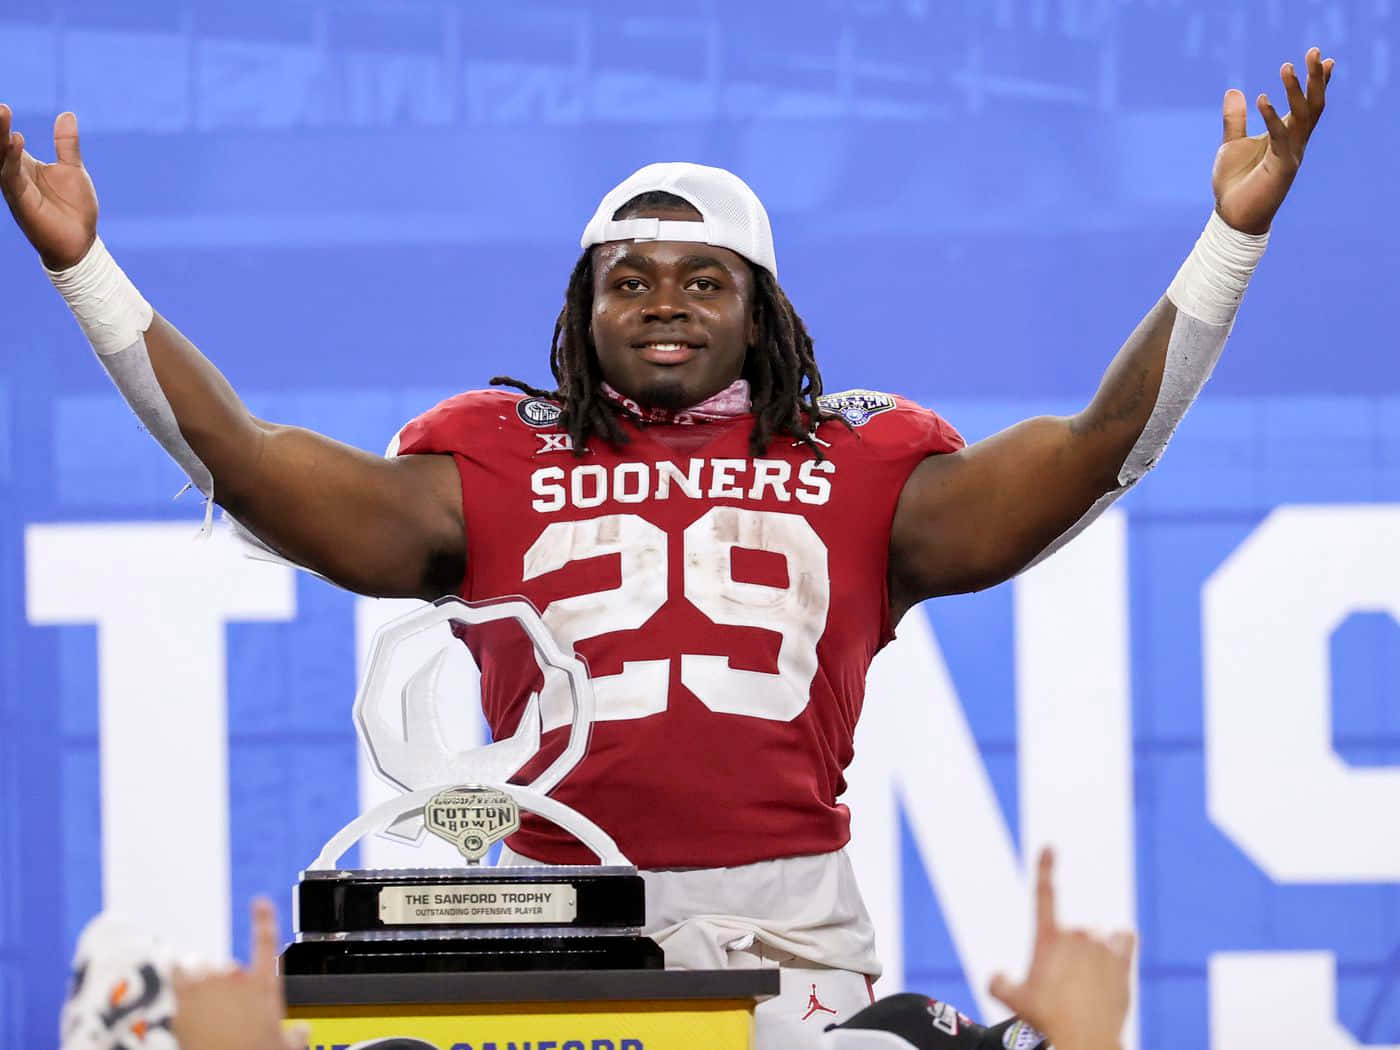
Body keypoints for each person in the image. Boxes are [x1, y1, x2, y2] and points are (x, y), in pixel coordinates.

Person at [2, 45, 1333, 1046]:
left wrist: (1233, 235)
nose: (664, 304)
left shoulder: (860, 461)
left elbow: (1106, 443)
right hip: (558, 935)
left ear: (764, 313)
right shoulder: (493, 454)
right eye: (627, 277)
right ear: (580, 311)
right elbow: (241, 458)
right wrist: (87, 270)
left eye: (704, 280)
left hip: (786, 935)